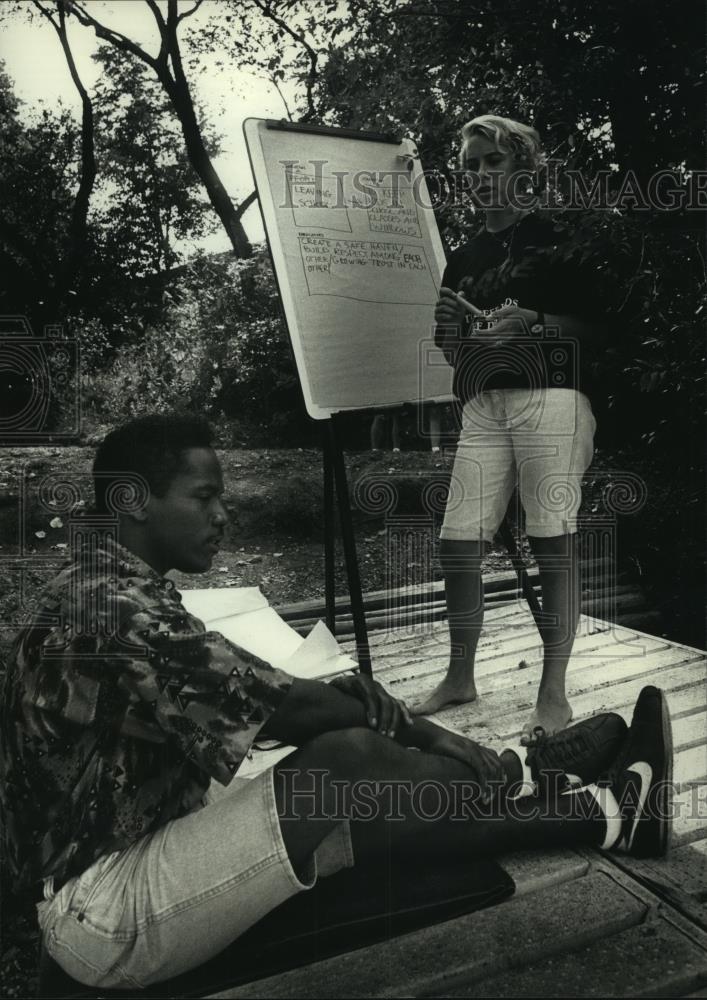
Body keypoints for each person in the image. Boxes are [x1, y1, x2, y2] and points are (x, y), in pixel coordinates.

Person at [0, 413, 672, 991]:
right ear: (134, 500)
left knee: (340, 795)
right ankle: (514, 772)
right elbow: (290, 712)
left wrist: (322, 696)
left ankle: (603, 813)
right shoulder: (110, 611)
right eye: (203, 497)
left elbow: (237, 691)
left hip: (142, 837)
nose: (222, 515)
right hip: (100, 909)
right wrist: (426, 733)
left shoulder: (100, 582)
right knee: (346, 761)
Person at [414, 114, 615, 737]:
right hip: (484, 404)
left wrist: (532, 320)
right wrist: (449, 337)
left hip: (551, 397)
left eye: (491, 163)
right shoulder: (462, 260)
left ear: (523, 170)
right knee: (459, 543)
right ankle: (459, 676)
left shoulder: (556, 241)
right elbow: (456, 350)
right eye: (470, 166)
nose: (478, 176)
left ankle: (553, 692)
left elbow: (600, 331)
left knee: (552, 540)